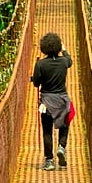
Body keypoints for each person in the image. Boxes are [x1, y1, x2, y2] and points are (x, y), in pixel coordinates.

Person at [30, 32, 72, 171]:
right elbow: (69, 60)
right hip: (62, 100)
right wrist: (64, 49)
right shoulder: (64, 62)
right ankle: (61, 146)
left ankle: (49, 161)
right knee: (64, 125)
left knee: (47, 131)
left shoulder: (40, 64)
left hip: (47, 102)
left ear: (44, 47)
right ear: (58, 46)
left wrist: (36, 78)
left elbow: (36, 83)